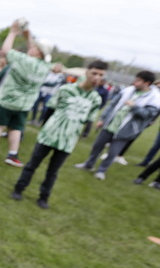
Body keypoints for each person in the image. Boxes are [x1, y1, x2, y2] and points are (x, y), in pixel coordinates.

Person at [11, 60, 108, 209]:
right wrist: (48, 128)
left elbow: (88, 119)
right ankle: (19, 188)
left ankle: (44, 197)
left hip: (68, 141)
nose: (96, 77)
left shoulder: (96, 99)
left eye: (100, 75)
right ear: (87, 72)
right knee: (32, 164)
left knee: (53, 171)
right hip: (49, 135)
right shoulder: (66, 89)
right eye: (94, 73)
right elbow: (50, 109)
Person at [0, 20, 53, 166]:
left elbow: (5, 51)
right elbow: (34, 51)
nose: (30, 48)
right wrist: (28, 37)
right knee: (16, 129)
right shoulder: (46, 66)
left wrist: (13, 32)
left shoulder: (23, 60)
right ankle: (12, 155)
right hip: (24, 105)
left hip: (7, 100)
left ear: (38, 51)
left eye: (34, 47)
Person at [75, 71, 160, 180]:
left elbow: (147, 115)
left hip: (126, 129)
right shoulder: (127, 90)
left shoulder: (155, 98)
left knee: (113, 152)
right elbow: (112, 104)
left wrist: (134, 107)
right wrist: (102, 118)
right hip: (111, 124)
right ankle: (88, 164)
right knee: (97, 145)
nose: (135, 82)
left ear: (147, 83)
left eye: (139, 80)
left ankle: (101, 170)